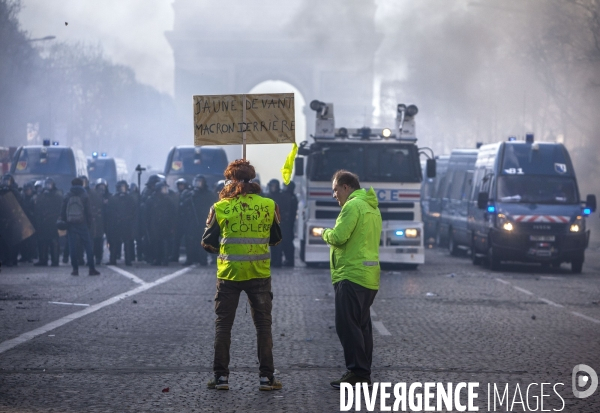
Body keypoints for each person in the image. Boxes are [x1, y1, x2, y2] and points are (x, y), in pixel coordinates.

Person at [201, 159, 283, 391]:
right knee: (263, 326)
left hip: (229, 274)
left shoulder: (220, 207)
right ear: (252, 179)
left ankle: (221, 378)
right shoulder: (268, 205)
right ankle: (266, 378)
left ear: (230, 180)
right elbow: (276, 239)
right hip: (259, 274)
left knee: (223, 326)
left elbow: (207, 243)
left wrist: (227, 249)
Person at [321, 170, 382, 389]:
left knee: (347, 326)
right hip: (368, 275)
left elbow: (338, 237)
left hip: (351, 274)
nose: (335, 195)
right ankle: (363, 373)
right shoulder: (371, 207)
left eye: (336, 190)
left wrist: (324, 232)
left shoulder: (352, 206)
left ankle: (357, 372)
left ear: (346, 187)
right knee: (361, 326)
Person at [61, 178, 100, 276]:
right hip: (83, 224)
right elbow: (88, 212)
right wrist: (89, 224)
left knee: (72, 247)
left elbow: (63, 211)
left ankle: (75, 269)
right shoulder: (84, 195)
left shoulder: (67, 195)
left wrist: (65, 222)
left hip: (71, 224)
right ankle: (91, 269)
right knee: (88, 246)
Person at [181, 175, 216, 265]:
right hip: (192, 221)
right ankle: (190, 258)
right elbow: (183, 205)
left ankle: (202, 259)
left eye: (200, 182)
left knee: (203, 240)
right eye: (196, 182)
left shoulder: (208, 194)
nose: (198, 184)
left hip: (204, 220)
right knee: (190, 240)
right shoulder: (190, 193)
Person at [106, 180, 136, 265]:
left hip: (126, 223)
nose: (123, 189)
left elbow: (133, 211)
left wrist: (129, 218)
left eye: (124, 187)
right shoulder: (113, 198)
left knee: (127, 242)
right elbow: (110, 211)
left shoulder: (130, 198)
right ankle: (113, 259)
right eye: (121, 187)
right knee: (114, 242)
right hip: (116, 223)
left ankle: (128, 260)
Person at [145, 181, 176, 266]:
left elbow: (173, 213)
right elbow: (147, 213)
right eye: (164, 189)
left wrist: (172, 225)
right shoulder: (151, 200)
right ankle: (157, 259)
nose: (165, 191)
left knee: (165, 242)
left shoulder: (168, 200)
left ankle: (165, 259)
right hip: (155, 225)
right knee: (155, 242)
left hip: (166, 224)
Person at [34, 178, 62, 267]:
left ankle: (55, 260)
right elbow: (38, 206)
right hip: (43, 221)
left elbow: (60, 206)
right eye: (47, 184)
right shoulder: (42, 195)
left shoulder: (57, 194)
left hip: (53, 221)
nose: (48, 186)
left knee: (53, 241)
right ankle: (43, 260)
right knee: (42, 241)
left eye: (50, 184)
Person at [264, 179, 285, 267]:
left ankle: (278, 261)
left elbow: (283, 209)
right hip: (270, 222)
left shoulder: (281, 196)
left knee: (278, 244)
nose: (273, 188)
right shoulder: (268, 196)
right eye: (271, 186)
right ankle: (274, 260)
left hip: (279, 222)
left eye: (274, 186)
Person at [281, 181, 298, 267]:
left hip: (287, 223)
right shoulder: (292, 197)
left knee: (287, 242)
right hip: (288, 223)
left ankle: (289, 260)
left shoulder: (290, 197)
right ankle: (289, 260)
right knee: (287, 242)